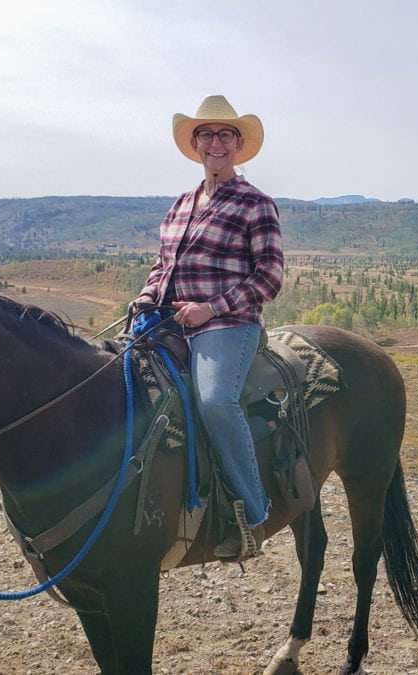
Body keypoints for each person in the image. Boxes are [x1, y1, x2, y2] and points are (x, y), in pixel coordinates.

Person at [130, 95, 283, 559]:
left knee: (215, 401)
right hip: (170, 319)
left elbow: (270, 277)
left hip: (229, 325)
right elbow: (164, 266)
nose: (215, 143)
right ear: (195, 144)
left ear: (238, 145)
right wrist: (146, 295)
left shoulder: (256, 204)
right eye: (206, 135)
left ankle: (254, 515)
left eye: (225, 135)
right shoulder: (180, 204)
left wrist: (210, 309)